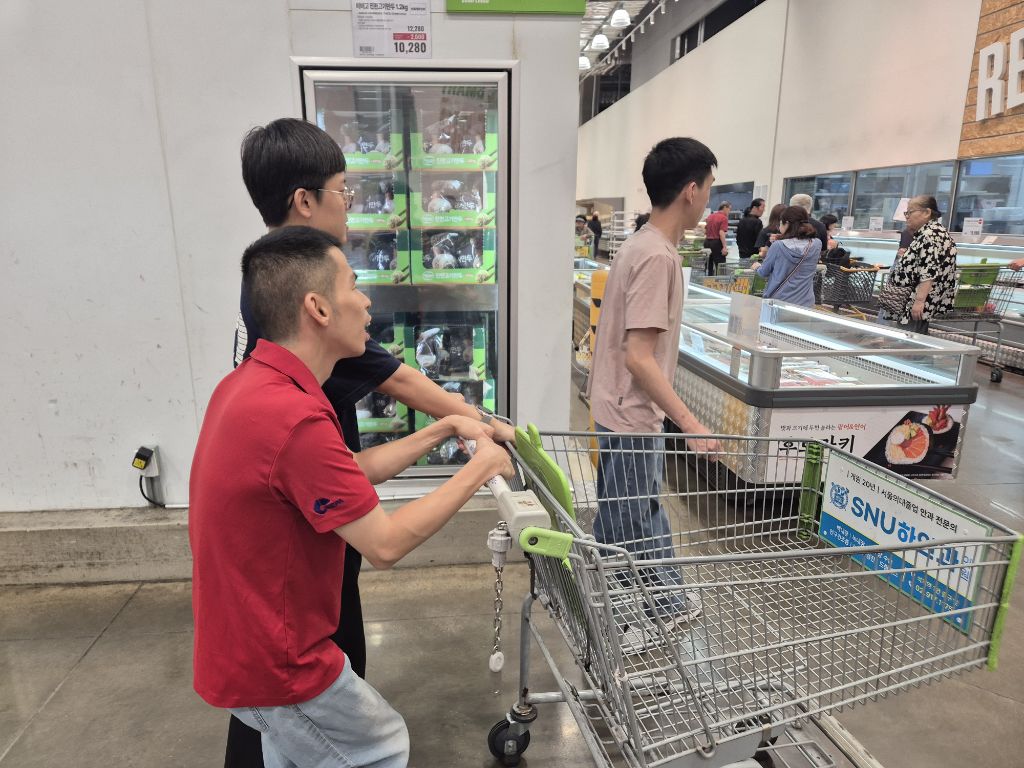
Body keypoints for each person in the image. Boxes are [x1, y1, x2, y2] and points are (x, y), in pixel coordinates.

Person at [231, 117, 515, 768]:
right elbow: (384, 539)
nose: (365, 305)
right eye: (344, 190)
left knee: (274, 716)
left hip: (294, 541)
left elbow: (354, 466)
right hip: (297, 571)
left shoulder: (264, 295)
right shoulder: (298, 359)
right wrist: (482, 439)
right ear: (304, 201)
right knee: (346, 710)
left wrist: (447, 428)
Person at [587, 137, 719, 650]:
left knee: (639, 507)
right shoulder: (657, 257)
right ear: (690, 190)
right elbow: (639, 357)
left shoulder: (641, 244)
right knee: (624, 520)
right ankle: (622, 621)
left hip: (618, 406)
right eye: (708, 187)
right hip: (630, 412)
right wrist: (692, 423)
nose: (708, 199)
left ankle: (667, 602)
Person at [881, 195, 956, 334]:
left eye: (910, 212)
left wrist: (919, 301)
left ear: (927, 212)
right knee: (913, 337)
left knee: (909, 339)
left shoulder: (930, 235)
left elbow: (929, 271)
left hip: (915, 301)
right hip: (913, 299)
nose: (907, 217)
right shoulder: (934, 232)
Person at [751, 205, 822, 307]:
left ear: (787, 223)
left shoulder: (778, 246)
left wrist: (757, 267)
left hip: (780, 303)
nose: (779, 226)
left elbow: (763, 272)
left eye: (780, 223)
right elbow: (799, 242)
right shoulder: (816, 244)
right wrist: (782, 237)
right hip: (806, 303)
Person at [704, 201, 731, 275]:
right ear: (725, 207)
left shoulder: (710, 216)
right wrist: (724, 247)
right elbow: (721, 232)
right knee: (720, 266)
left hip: (707, 242)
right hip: (716, 243)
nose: (729, 211)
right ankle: (721, 281)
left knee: (709, 265)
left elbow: (705, 230)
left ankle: (709, 280)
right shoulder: (724, 218)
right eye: (729, 209)